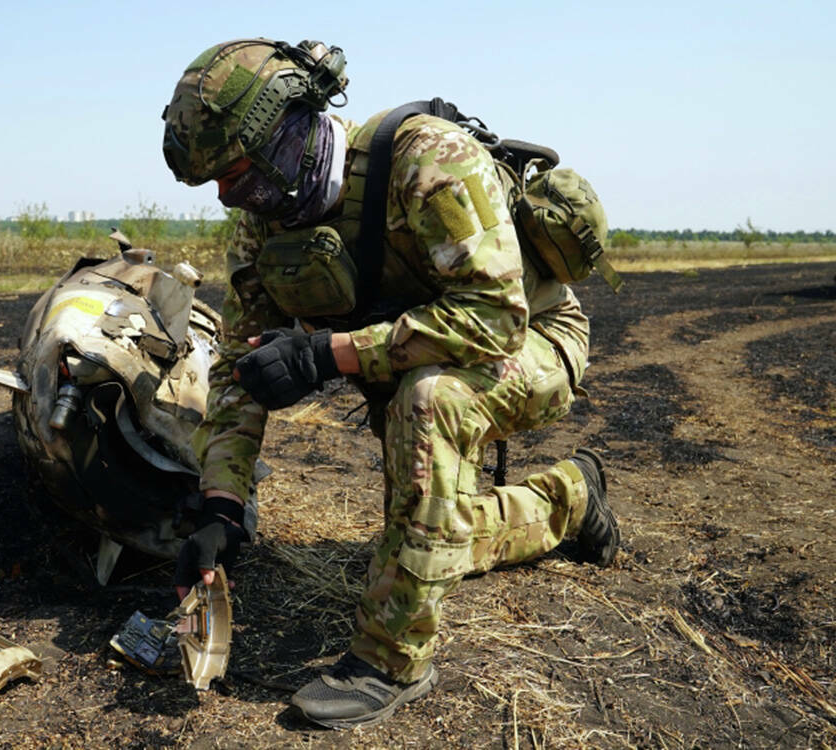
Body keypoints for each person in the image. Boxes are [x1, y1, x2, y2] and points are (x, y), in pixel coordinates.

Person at [161, 38, 620, 730]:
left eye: (238, 174)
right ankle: (570, 499)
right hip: (419, 354)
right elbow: (235, 367)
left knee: (428, 400)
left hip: (532, 344)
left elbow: (494, 318)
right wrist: (221, 504)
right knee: (434, 545)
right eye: (218, 185)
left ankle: (392, 660)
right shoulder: (266, 225)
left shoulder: (428, 162)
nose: (230, 196)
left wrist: (327, 354)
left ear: (288, 132)